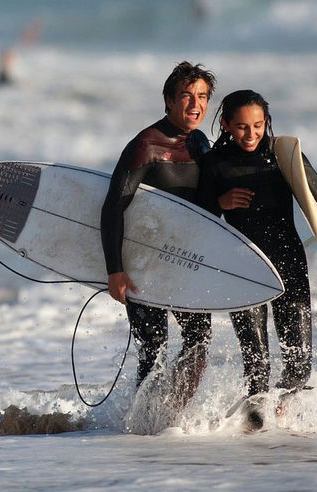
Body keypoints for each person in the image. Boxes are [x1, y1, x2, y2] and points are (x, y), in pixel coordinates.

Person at [198, 90, 317, 409]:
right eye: (242, 126)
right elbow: (198, 219)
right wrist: (220, 202)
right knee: (256, 369)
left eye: (258, 125)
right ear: (227, 125)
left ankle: (281, 428)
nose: (251, 133)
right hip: (243, 269)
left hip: (288, 265)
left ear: (267, 122)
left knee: (299, 367)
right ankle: (259, 437)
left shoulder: (283, 155)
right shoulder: (215, 163)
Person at [100, 62, 216, 411]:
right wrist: (115, 271)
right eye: (186, 96)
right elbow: (112, 208)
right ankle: (141, 423)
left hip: (186, 262)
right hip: (144, 261)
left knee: (199, 343)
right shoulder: (145, 145)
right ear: (168, 100)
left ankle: (170, 419)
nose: (195, 104)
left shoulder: (201, 144)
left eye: (203, 97)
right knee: (154, 346)